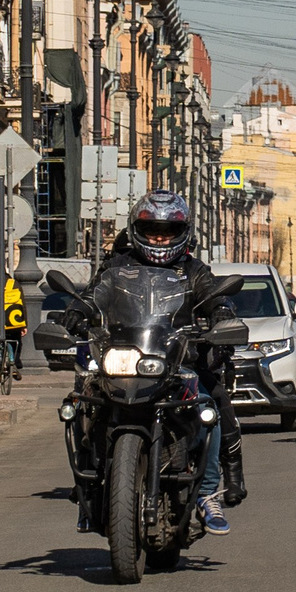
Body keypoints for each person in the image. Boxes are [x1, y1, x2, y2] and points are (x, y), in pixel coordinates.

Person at [100, 191, 242, 531]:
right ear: (137, 230)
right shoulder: (118, 266)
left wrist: (221, 313)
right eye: (151, 230)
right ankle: (92, 476)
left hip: (178, 360)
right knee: (85, 400)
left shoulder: (193, 270)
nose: (159, 238)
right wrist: (77, 312)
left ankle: (209, 492)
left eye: (167, 231)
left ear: (182, 233)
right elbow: (97, 293)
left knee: (209, 403)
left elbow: (213, 295)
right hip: (127, 357)